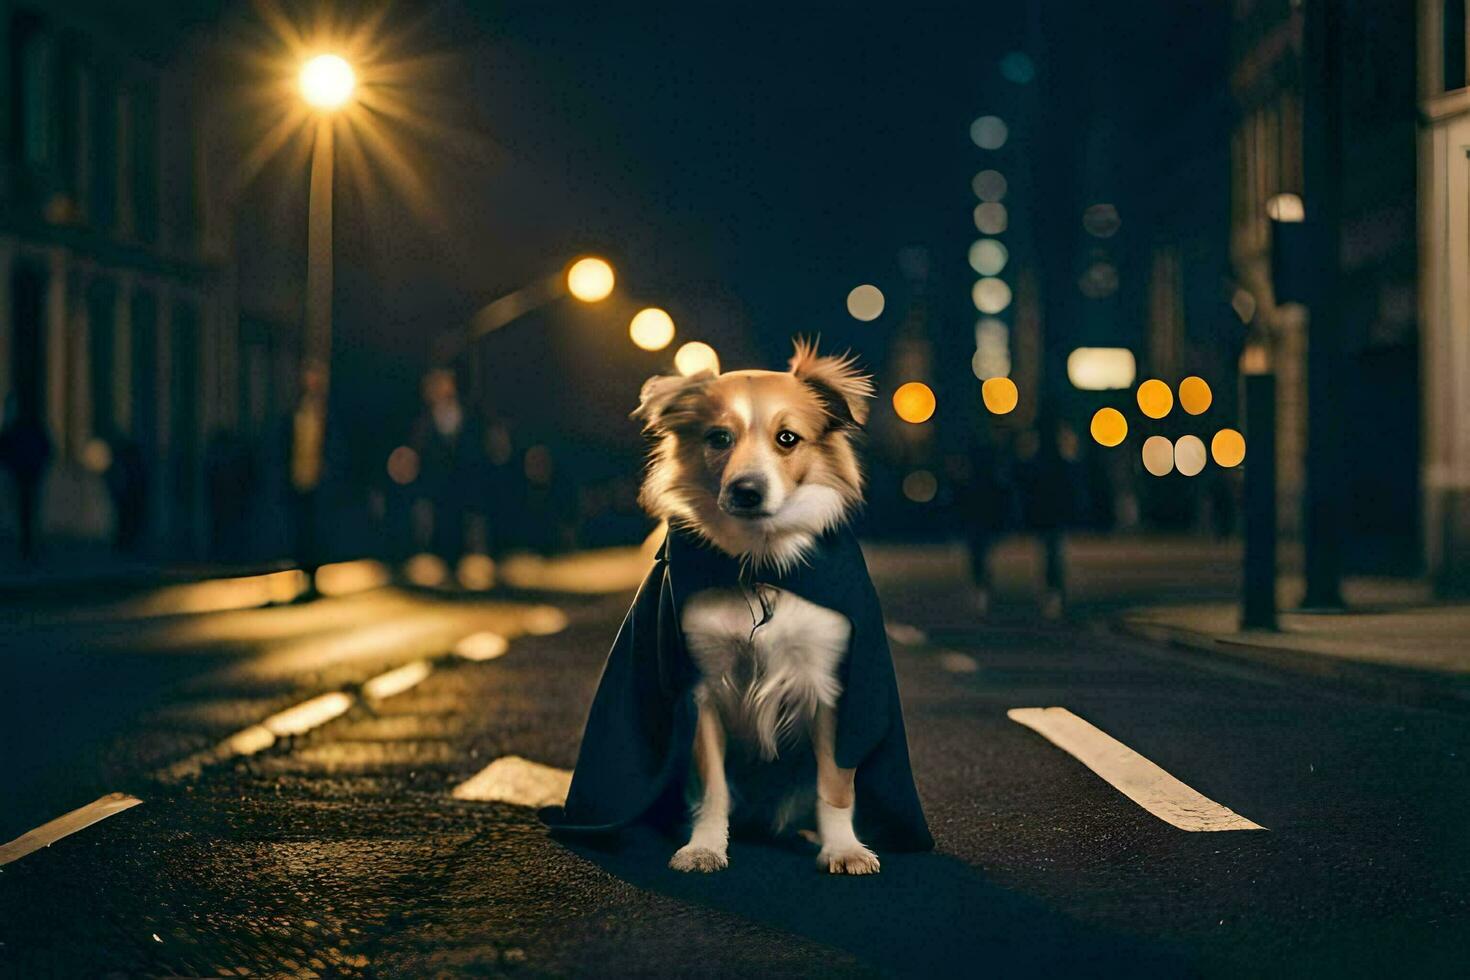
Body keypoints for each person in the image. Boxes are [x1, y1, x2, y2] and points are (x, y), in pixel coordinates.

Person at [411, 368, 483, 566]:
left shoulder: (467, 416)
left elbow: (474, 450)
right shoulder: (424, 423)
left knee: (464, 536)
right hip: (436, 491)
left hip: (462, 487)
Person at [1018, 414, 1086, 619]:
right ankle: (1055, 593)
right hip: (1054, 508)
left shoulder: (1036, 453)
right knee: (1054, 551)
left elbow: (1027, 482)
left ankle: (1052, 593)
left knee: (1050, 551)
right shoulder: (1060, 453)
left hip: (1045, 508)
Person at [287, 362, 329, 579]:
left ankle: (313, 574)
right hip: (298, 479)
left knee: (316, 530)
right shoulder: (296, 410)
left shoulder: (325, 413)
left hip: (317, 481)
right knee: (299, 528)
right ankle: (299, 571)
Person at [0, 396, 53, 563]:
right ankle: (28, 545)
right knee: (27, 511)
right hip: (24, 474)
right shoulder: (24, 429)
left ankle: (28, 546)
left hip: (26, 474)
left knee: (26, 511)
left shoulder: (20, 429)